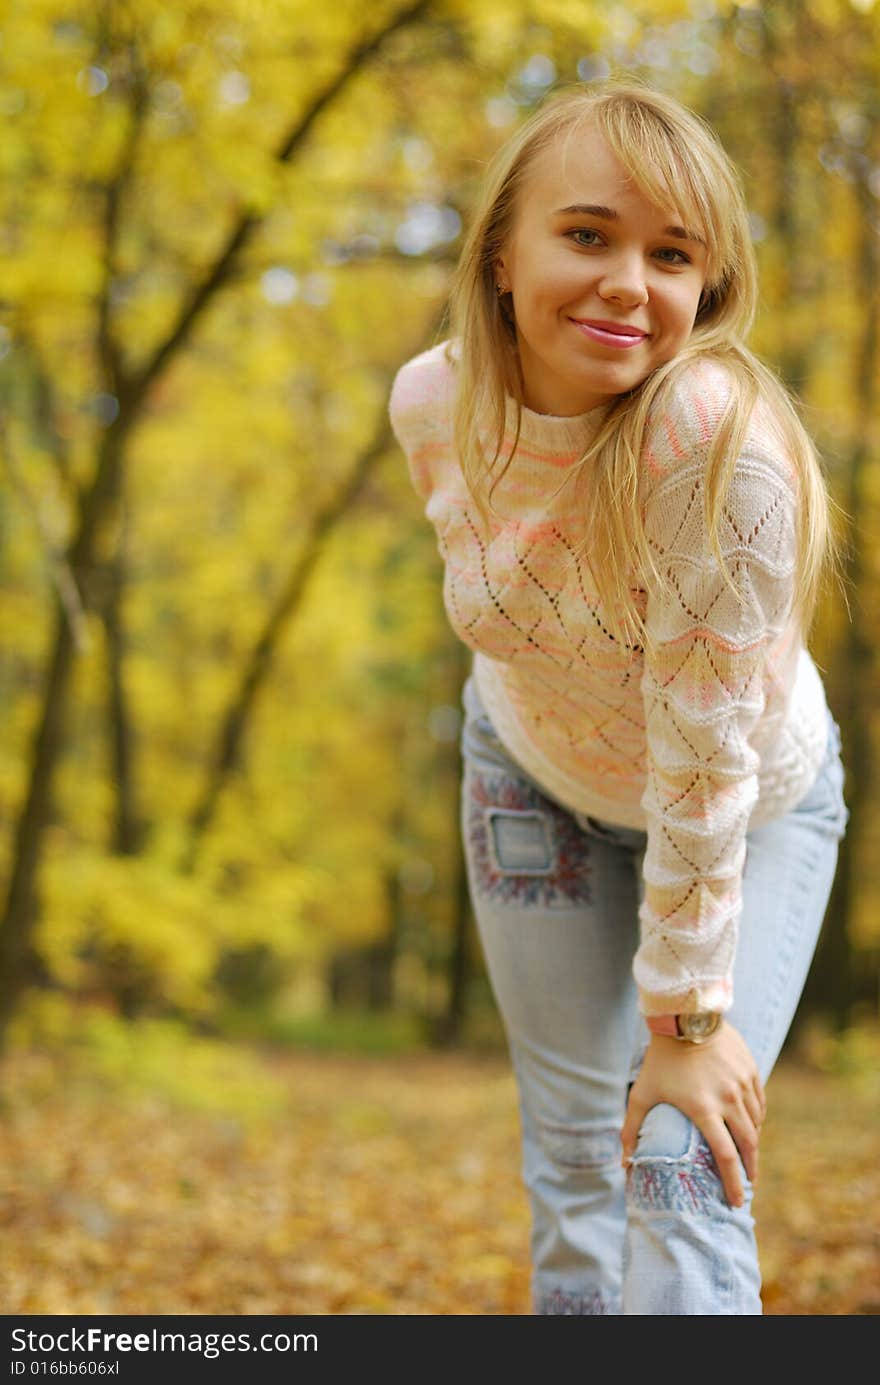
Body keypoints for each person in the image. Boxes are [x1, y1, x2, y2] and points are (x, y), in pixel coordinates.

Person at [388, 78, 848, 1315]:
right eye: (586, 234)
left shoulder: (711, 448)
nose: (627, 282)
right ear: (500, 254)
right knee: (579, 1156)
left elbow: (702, 757)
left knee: (676, 1159)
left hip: (737, 809)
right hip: (529, 772)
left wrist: (687, 1026)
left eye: (671, 254)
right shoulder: (433, 401)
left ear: (709, 288)